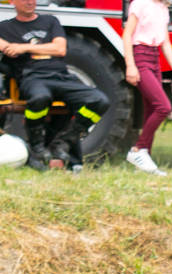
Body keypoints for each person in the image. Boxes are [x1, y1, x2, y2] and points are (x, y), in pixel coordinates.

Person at [0, 0, 109, 171]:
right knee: (40, 98)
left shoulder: (50, 21)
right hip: (32, 78)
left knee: (100, 101)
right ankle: (37, 146)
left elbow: (60, 49)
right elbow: (5, 47)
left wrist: (22, 48)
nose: (30, 2)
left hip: (61, 77)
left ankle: (64, 142)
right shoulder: (5, 27)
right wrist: (8, 46)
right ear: (12, 1)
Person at [122, 0, 172, 176]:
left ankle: (143, 164)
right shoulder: (140, 3)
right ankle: (138, 150)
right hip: (140, 55)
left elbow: (165, 42)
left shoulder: (163, 8)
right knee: (163, 107)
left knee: (151, 110)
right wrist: (130, 65)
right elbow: (127, 35)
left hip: (154, 57)